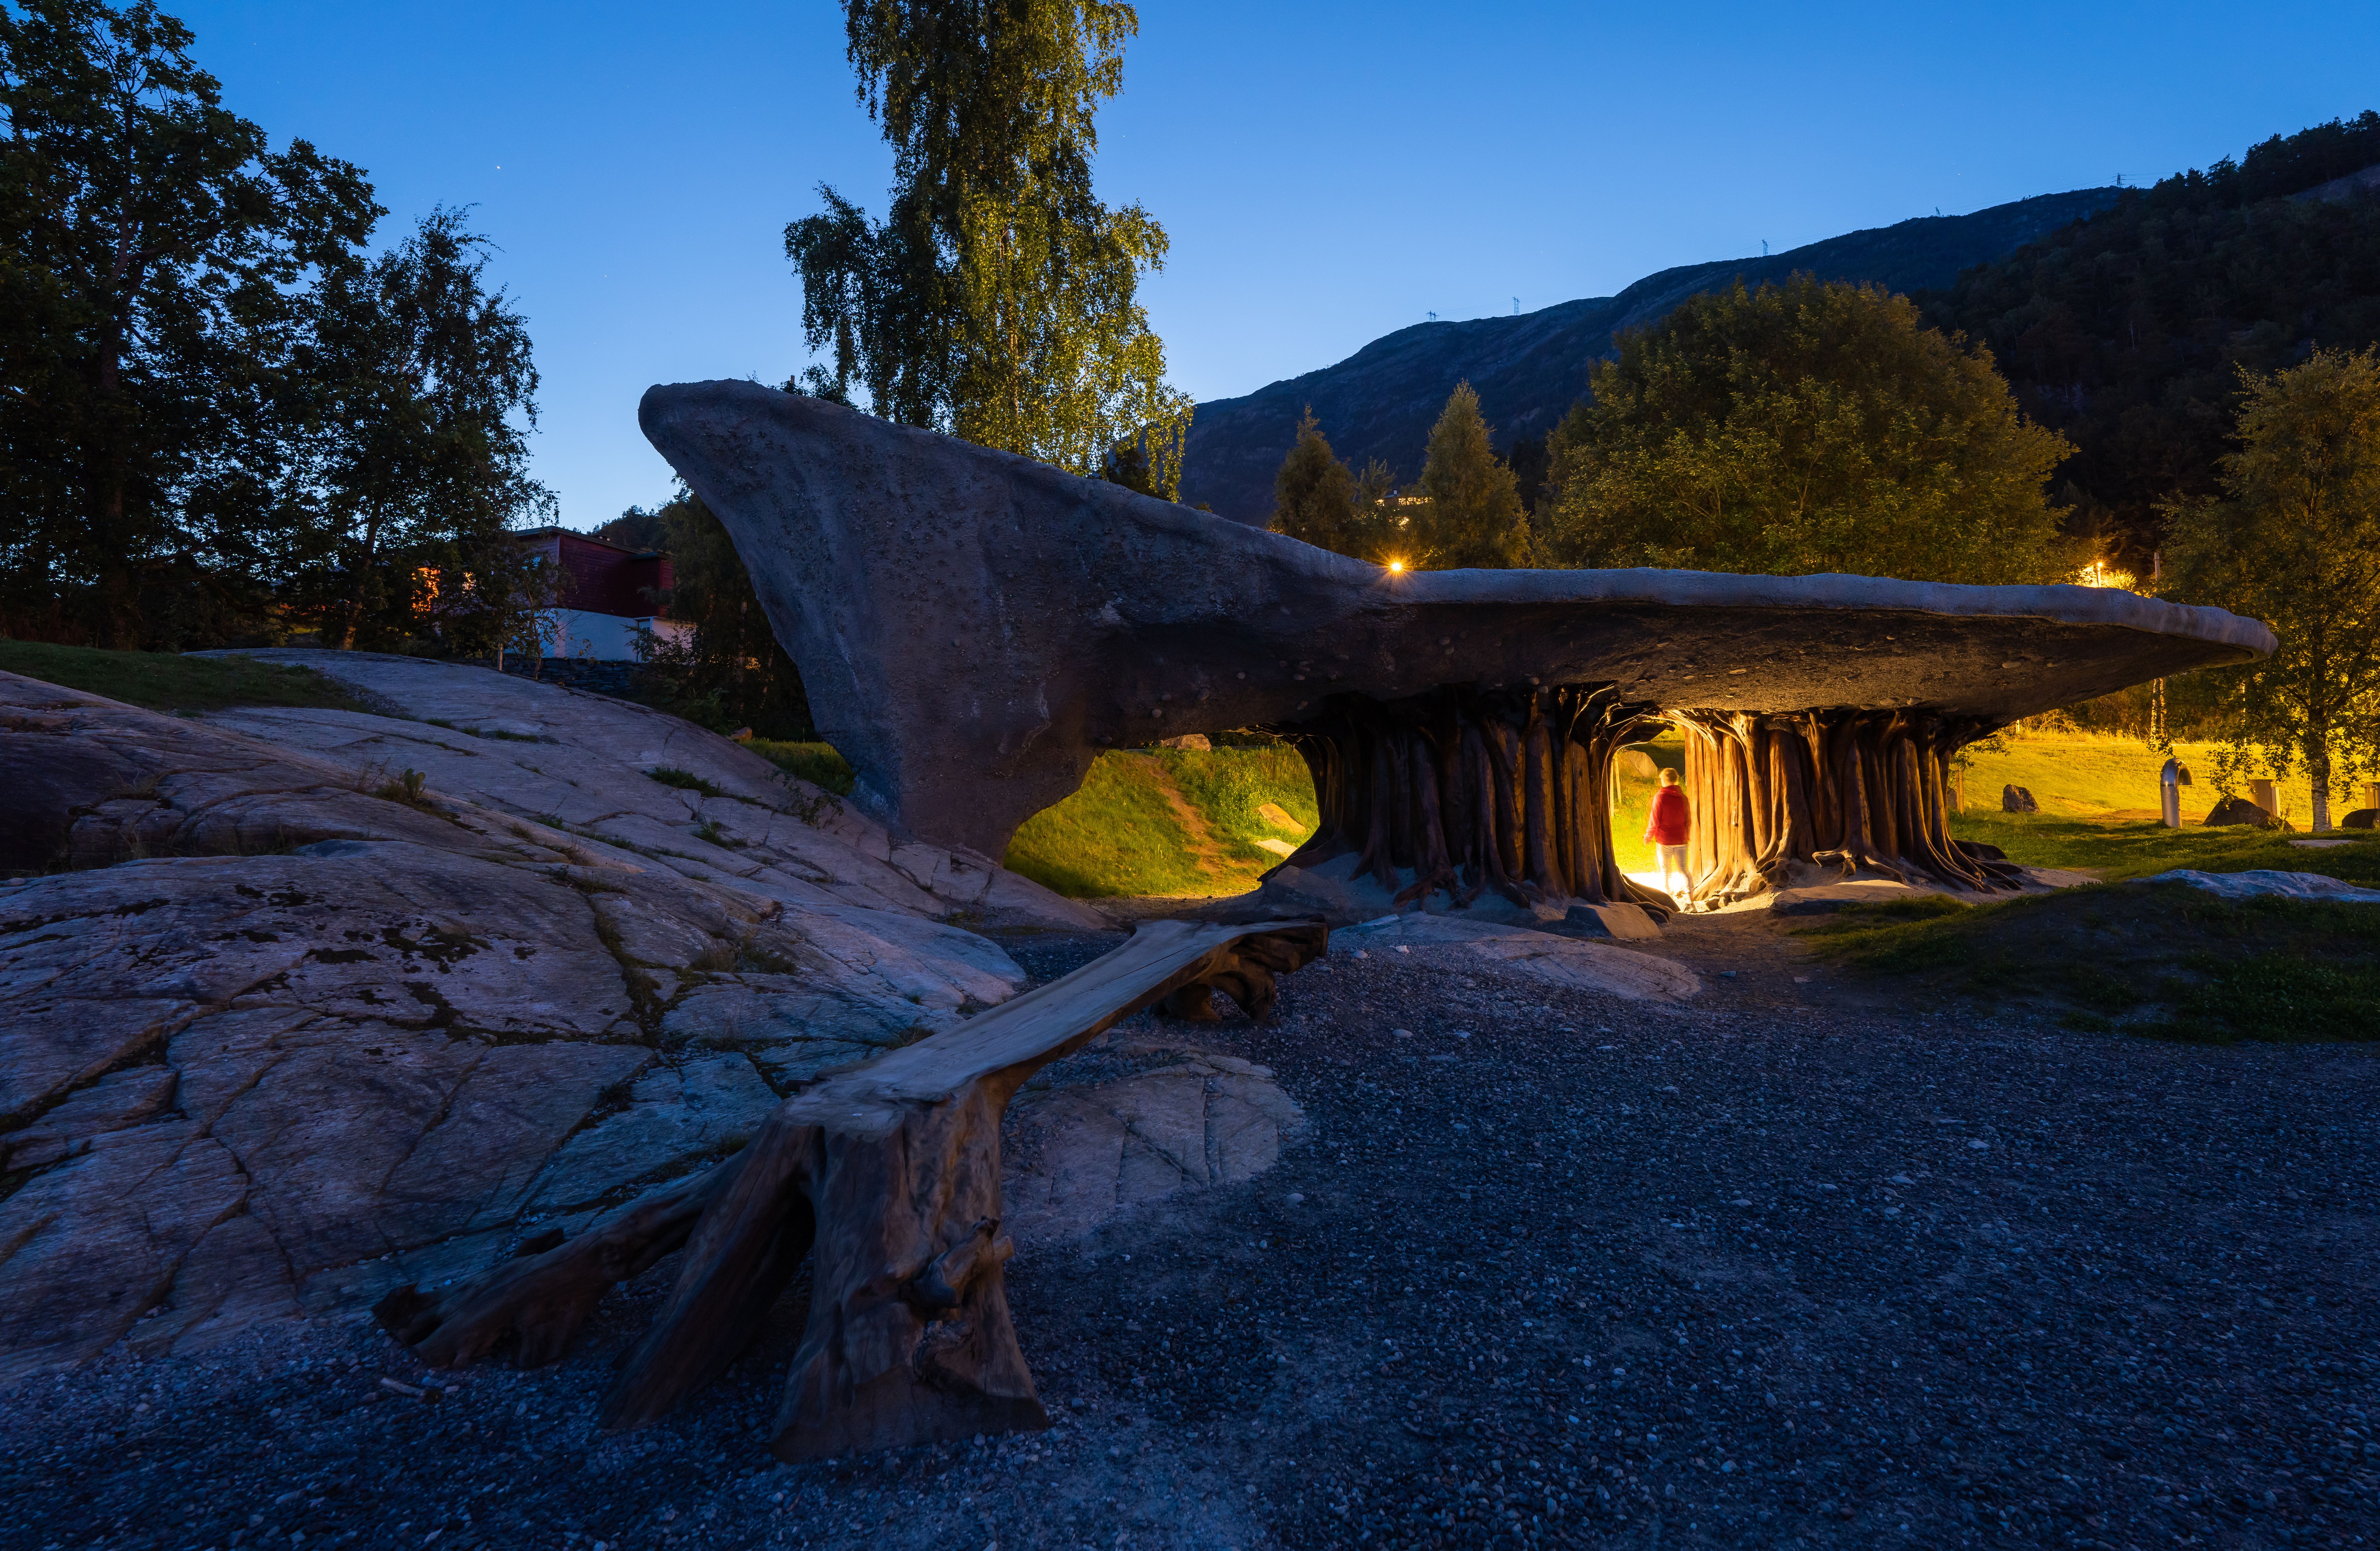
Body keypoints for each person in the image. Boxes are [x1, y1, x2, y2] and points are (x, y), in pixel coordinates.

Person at [1645, 767, 1691, 898]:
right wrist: (1687, 835)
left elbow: (1655, 819)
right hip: (1681, 839)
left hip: (1664, 840)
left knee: (1666, 871)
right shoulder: (1684, 798)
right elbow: (1688, 819)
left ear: (1664, 780)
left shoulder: (1660, 797)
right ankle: (1690, 901)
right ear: (1676, 780)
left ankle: (1668, 897)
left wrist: (1649, 836)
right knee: (1683, 871)